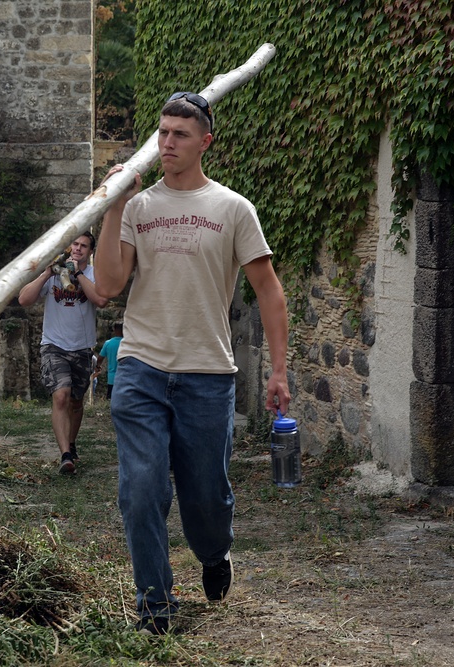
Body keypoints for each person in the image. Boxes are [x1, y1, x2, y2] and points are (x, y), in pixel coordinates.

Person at [94, 91, 291, 634]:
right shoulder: (138, 207)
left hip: (207, 373)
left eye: (179, 134)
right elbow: (108, 285)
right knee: (141, 490)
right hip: (141, 367)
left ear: (205, 142)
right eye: (161, 133)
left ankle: (213, 553)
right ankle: (155, 607)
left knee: (206, 495)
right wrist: (113, 206)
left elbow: (269, 292)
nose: (167, 143)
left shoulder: (232, 208)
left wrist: (277, 369)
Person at [18, 232, 108, 474]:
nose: (78, 249)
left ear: (90, 252)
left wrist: (77, 273)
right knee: (61, 396)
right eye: (75, 244)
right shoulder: (54, 274)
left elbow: (100, 300)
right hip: (54, 345)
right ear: (69, 247)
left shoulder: (93, 274)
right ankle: (65, 455)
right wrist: (48, 273)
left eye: (84, 246)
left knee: (76, 402)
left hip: (81, 347)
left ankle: (71, 443)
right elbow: (24, 299)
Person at [91, 321, 123, 399]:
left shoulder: (108, 343)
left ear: (114, 330)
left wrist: (98, 366)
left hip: (111, 378)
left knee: (110, 401)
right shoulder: (127, 343)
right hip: (125, 378)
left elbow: (100, 358)